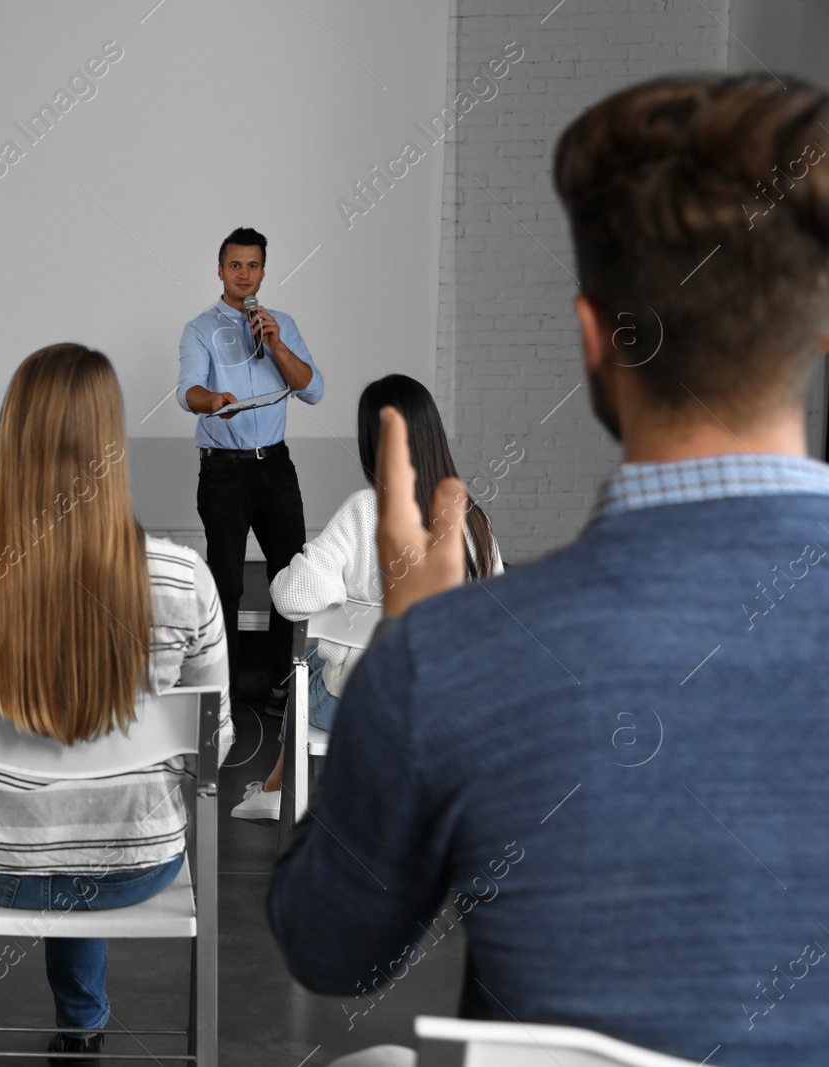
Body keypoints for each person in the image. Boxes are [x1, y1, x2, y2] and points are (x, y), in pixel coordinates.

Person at [269, 74, 829, 1066]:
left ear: (591, 339)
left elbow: (327, 946)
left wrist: (402, 652)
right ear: (818, 330)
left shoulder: (447, 658)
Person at [0, 344, 232, 1065]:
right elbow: (216, 745)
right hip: (135, 864)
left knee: (50, 810)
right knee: (92, 809)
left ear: (11, 440)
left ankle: (41, 976)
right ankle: (82, 1021)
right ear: (112, 444)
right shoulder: (185, 579)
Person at [232, 375, 501, 822]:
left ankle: (280, 789)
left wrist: (340, 593)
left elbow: (289, 597)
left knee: (313, 662)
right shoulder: (475, 522)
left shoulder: (365, 509)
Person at [178, 226, 323, 717]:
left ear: (264, 270)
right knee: (227, 584)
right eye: (235, 265)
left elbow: (312, 389)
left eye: (253, 265)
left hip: (276, 467)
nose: (244, 274)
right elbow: (188, 391)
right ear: (220, 270)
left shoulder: (280, 323)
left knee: (294, 579)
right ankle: (222, 698)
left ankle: (284, 690)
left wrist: (278, 344)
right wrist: (214, 402)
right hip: (225, 473)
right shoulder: (200, 329)